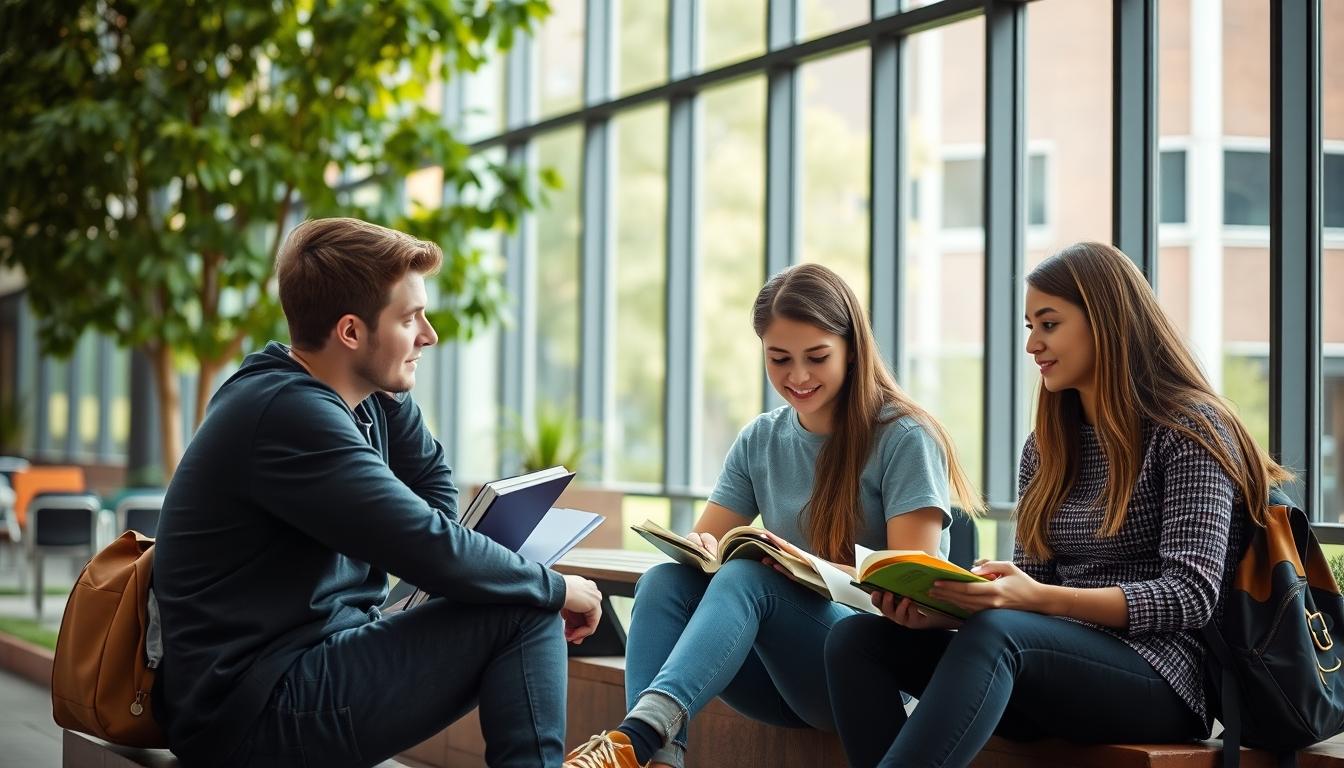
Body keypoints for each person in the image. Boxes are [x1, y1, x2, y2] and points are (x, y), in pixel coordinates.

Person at [153, 217, 603, 768]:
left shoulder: (368, 395)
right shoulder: (284, 412)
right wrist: (554, 588)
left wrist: (435, 560)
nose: (429, 335)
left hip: (306, 669)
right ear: (351, 331)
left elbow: (433, 480)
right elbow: (425, 541)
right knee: (526, 606)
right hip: (250, 711)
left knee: (516, 598)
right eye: (410, 318)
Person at [823, 242, 1293, 767]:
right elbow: (1029, 586)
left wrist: (1037, 599)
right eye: (1029, 326)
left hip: (1161, 676)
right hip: (1045, 660)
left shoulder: (1192, 431)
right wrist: (941, 615)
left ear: (1105, 322)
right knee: (857, 640)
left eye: (1048, 324)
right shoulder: (1048, 444)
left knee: (1000, 635)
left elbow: (1189, 596)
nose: (1032, 344)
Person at [563, 263, 981, 768]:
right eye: (779, 358)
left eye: (817, 357)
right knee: (665, 583)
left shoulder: (904, 438)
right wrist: (703, 549)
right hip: (775, 678)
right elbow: (706, 551)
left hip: (864, 678)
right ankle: (655, 755)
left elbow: (914, 589)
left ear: (852, 348)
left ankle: (636, 737)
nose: (798, 376)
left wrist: (804, 568)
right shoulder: (761, 439)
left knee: (751, 578)